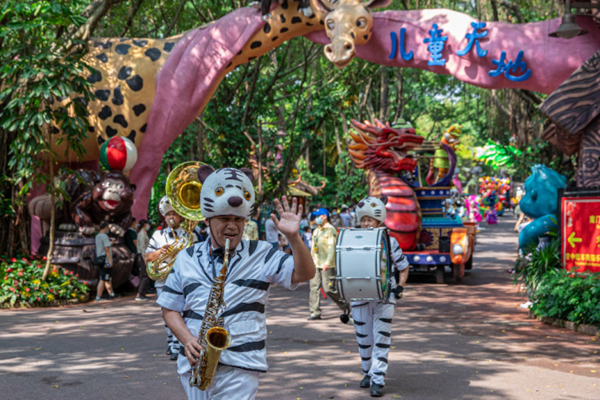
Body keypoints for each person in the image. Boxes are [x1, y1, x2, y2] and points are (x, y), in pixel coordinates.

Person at [158, 166, 315, 400]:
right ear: (208, 218)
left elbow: (305, 273)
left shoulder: (261, 252)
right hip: (193, 364)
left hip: (242, 363)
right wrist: (187, 340)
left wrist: (293, 237)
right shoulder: (186, 257)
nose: (232, 226)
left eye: (238, 219)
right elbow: (169, 308)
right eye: (224, 219)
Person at [352, 196, 409, 397]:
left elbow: (403, 266)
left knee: (381, 338)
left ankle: (378, 378)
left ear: (379, 221)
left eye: (370, 220)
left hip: (384, 297)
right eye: (364, 219)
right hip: (358, 298)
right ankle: (367, 372)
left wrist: (399, 287)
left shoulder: (389, 241)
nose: (366, 223)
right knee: (364, 341)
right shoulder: (352, 240)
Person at [146, 195, 200, 361]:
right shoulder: (157, 235)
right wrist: (158, 253)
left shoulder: (190, 235)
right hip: (163, 279)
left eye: (174, 214)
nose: (171, 217)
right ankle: (172, 344)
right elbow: (147, 257)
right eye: (168, 214)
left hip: (184, 279)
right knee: (167, 313)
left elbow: (197, 257)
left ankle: (179, 344)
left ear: (181, 216)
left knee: (183, 313)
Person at [308, 208, 349, 321]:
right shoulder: (316, 230)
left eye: (318, 216)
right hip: (316, 263)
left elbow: (332, 248)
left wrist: (327, 262)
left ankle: (345, 306)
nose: (316, 218)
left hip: (327, 264)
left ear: (324, 217)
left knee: (328, 289)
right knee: (314, 287)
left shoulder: (330, 230)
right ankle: (315, 312)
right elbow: (313, 248)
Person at [94, 221, 120, 302]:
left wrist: (111, 243)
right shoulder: (104, 236)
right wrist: (110, 261)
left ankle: (111, 294)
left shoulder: (97, 236)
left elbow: (103, 246)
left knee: (107, 277)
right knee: (103, 278)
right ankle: (98, 297)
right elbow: (106, 249)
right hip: (105, 261)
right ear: (106, 227)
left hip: (100, 259)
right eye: (108, 227)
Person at [135, 219, 150, 301]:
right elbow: (142, 248)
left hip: (143, 255)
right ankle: (140, 294)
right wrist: (145, 259)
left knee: (144, 275)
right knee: (145, 275)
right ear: (145, 225)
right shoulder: (141, 234)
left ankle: (143, 293)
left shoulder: (143, 233)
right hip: (142, 256)